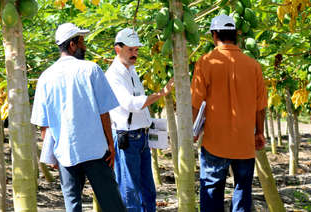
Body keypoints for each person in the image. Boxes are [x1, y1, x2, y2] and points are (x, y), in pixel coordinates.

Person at [30, 23, 126, 212]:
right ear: (72, 45)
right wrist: (109, 144)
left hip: (65, 152)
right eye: (82, 42)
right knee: (112, 204)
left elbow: (44, 123)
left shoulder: (45, 77)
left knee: (72, 205)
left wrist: (51, 153)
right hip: (95, 151)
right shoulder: (91, 69)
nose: (85, 46)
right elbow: (103, 111)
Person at [191, 14, 267, 212]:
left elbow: (195, 103)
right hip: (244, 142)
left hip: (215, 141)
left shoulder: (205, 62)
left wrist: (192, 131)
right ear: (236, 35)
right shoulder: (254, 66)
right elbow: (261, 106)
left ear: (214, 35)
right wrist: (259, 132)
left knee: (211, 190)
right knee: (242, 190)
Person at [105, 28, 174, 212]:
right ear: (117, 49)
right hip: (127, 138)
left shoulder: (132, 70)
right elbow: (131, 104)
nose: (135, 54)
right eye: (131, 50)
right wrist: (161, 94)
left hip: (141, 137)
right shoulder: (113, 75)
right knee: (130, 193)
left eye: (136, 50)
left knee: (148, 191)